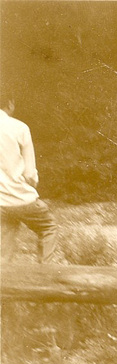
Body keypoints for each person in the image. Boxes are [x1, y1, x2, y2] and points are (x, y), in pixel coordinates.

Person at [0, 92, 57, 263]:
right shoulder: (20, 128)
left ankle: (3, 284)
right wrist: (32, 186)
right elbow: (30, 174)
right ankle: (44, 274)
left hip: (0, 202)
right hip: (22, 198)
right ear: (10, 103)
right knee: (48, 227)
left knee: (4, 246)